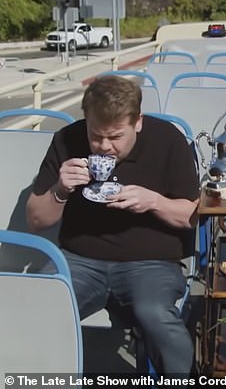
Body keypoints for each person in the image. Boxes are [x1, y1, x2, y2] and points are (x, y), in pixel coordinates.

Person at [26, 76, 200, 375]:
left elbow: (190, 216)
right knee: (37, 310)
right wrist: (59, 189)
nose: (104, 146)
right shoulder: (68, 139)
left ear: (138, 122)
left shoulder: (168, 140)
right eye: (96, 136)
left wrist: (154, 201)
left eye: (116, 137)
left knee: (156, 315)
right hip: (79, 260)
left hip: (150, 262)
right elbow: (36, 220)